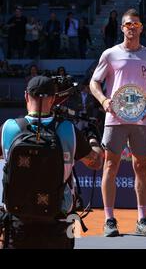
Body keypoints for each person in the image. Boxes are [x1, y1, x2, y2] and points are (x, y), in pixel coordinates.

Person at [0, 75, 104, 248]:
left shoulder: (8, 128)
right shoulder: (68, 129)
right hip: (59, 221)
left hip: (17, 221)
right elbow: (96, 162)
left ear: (26, 96)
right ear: (54, 99)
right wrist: (93, 138)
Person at [90, 9, 146, 237]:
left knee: (141, 166)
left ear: (141, 28)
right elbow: (94, 82)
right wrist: (103, 100)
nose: (132, 27)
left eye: (136, 24)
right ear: (122, 28)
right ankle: (109, 219)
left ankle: (142, 219)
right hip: (115, 118)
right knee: (111, 165)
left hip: (142, 119)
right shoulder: (110, 54)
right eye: (128, 24)